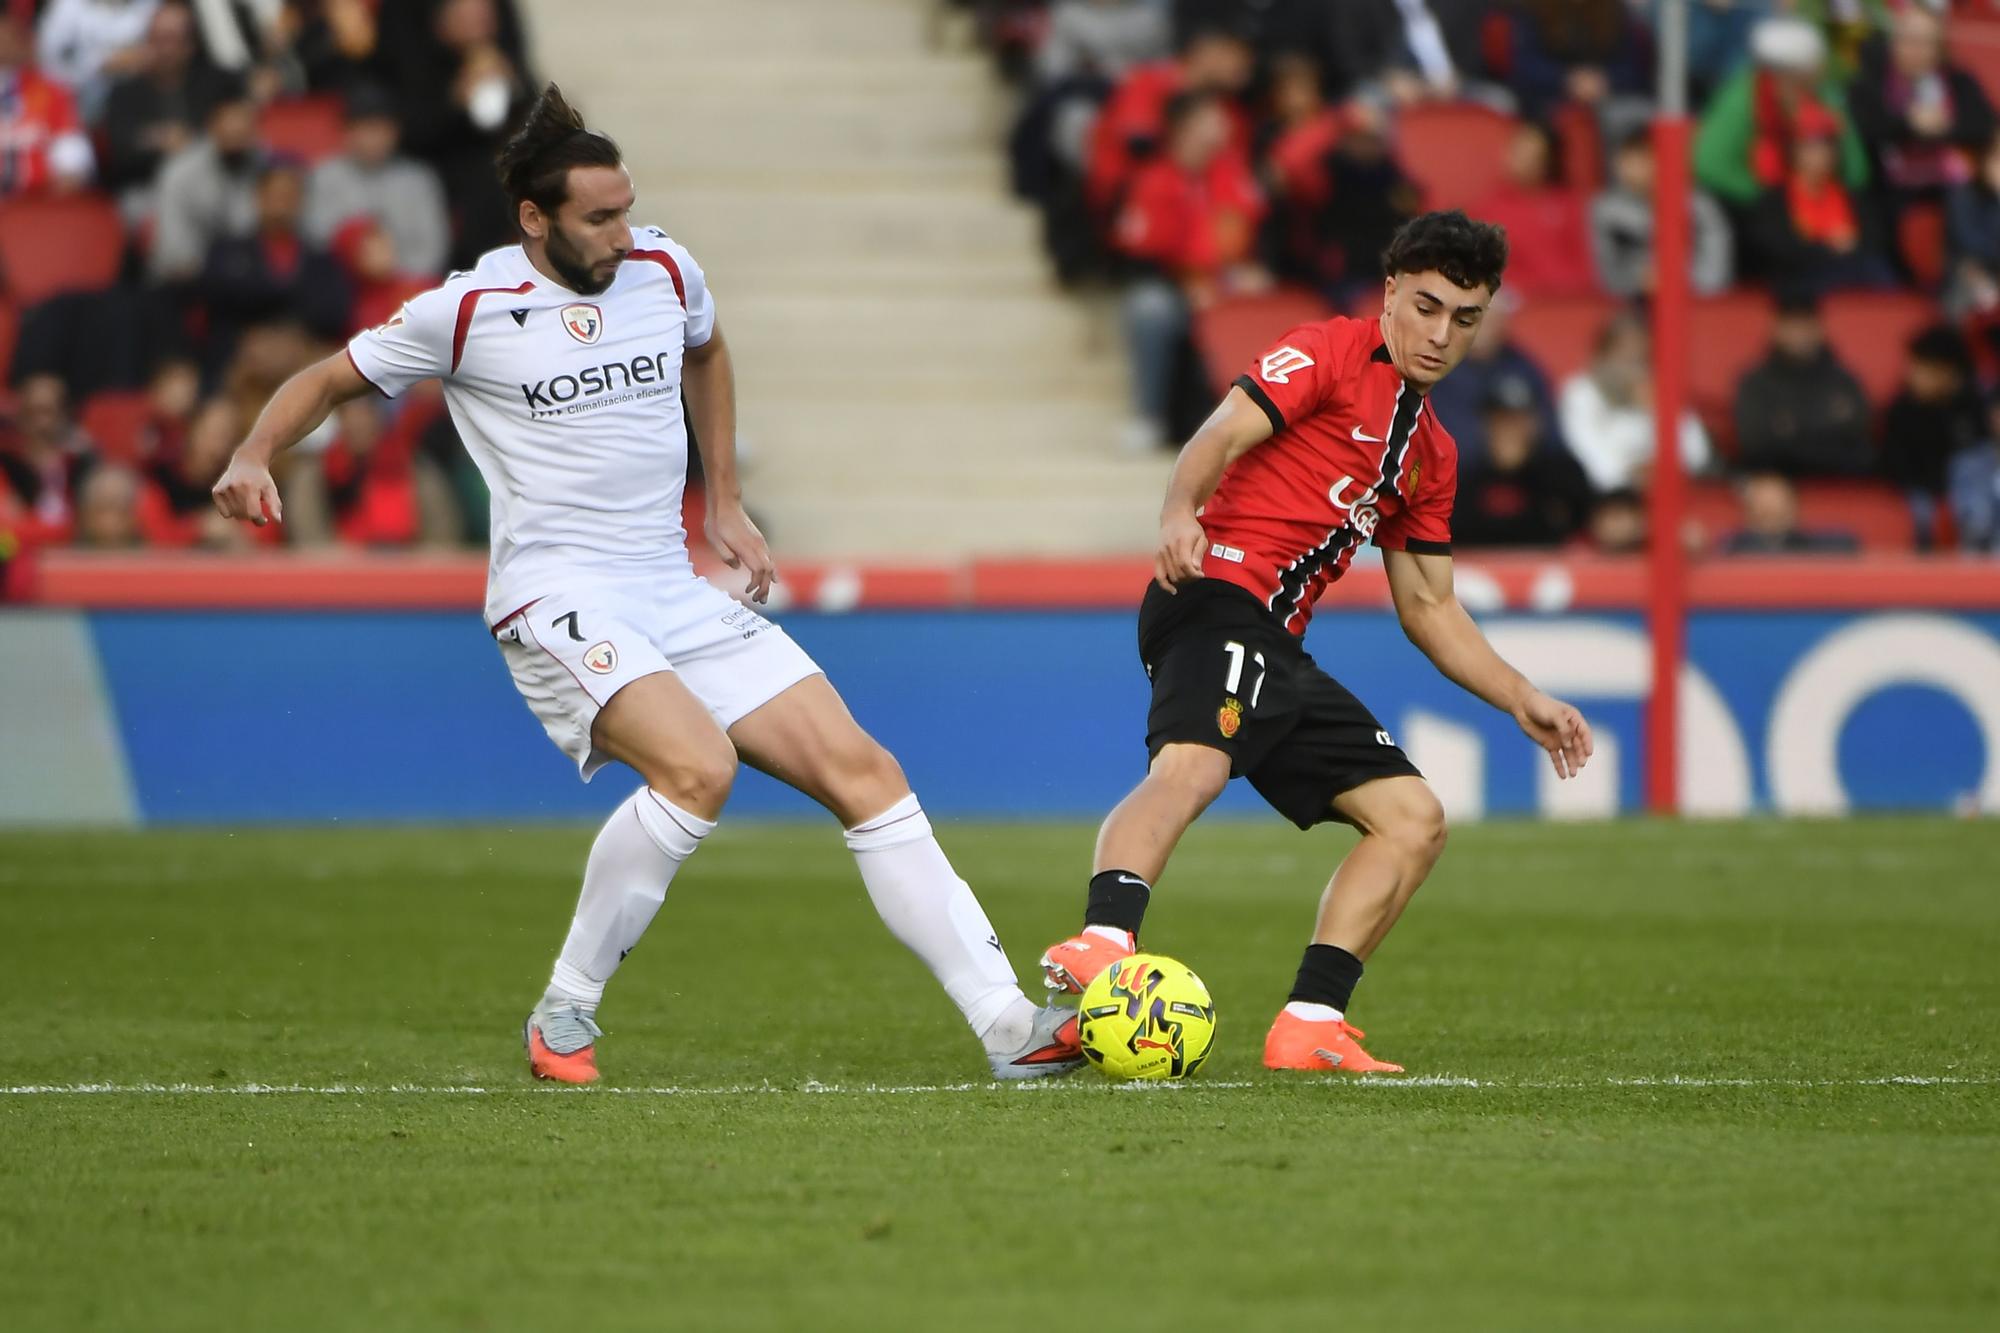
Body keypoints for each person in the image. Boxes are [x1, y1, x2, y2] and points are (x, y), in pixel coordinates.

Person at [211, 84, 1083, 1084]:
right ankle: (565, 1012)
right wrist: (252, 451)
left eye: (626, 207)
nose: (623, 233)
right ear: (534, 219)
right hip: (553, 597)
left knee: (866, 772)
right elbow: (323, 378)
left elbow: (706, 353)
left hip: (668, 584)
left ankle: (1005, 1024)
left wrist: (725, 499)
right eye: (598, 217)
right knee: (697, 768)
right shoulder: (467, 311)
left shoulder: (664, 265)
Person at [1037, 211, 1594, 1074]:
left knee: (1413, 820)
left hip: (1278, 642)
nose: (1442, 335)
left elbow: (1430, 607)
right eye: (1428, 307)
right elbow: (1221, 431)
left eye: (1466, 318)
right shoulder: (1330, 352)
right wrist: (1178, 511)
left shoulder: (1434, 455)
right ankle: (1103, 941)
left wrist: (1525, 696)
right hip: (1215, 594)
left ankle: (1310, 1023)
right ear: (1390, 294)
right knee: (1194, 765)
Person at [1112, 89, 1266, 450]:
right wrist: (1191, 284)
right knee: (1149, 309)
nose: (1224, 126)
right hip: (1175, 288)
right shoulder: (1154, 181)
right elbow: (1143, 256)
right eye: (1213, 118)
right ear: (1185, 128)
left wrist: (1241, 276)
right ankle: (1147, 418)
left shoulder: (1233, 175)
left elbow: (1249, 234)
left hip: (1227, 285)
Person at [304, 84, 451, 280]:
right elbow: (314, 239)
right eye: (367, 128)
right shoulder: (323, 176)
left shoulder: (419, 179)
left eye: (383, 129)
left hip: (404, 288)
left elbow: (435, 250)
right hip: (341, 288)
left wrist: (392, 266)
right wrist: (357, 255)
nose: (375, 138)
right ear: (347, 131)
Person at [1559, 310, 1711, 494]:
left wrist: (1659, 412)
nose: (1633, 360)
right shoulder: (1581, 390)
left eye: (1641, 353)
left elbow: (1697, 452)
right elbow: (1586, 450)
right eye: (1624, 350)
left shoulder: (1661, 389)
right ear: (1603, 354)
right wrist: (1628, 474)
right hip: (1606, 494)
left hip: (1668, 489)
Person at [1731, 292, 1874, 478]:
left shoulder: (1844, 381)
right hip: (1779, 482)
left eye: (1805, 324)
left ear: (1819, 327)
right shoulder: (1755, 383)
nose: (1798, 333)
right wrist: (1826, 427)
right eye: (1791, 324)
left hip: (1841, 480)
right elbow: (1755, 443)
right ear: (1775, 327)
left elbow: (1858, 433)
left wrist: (1790, 430)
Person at [1589, 128, 1734, 300]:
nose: (1632, 169)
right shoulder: (1605, 210)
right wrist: (1636, 282)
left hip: (1695, 304)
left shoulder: (1699, 206)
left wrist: (1677, 282)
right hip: (1630, 304)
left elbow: (1716, 270)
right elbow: (1606, 274)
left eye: (1643, 160)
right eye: (1626, 161)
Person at [1453, 371, 1589, 547]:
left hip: (1551, 571)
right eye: (1501, 419)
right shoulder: (1463, 476)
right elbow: (1457, 532)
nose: (1510, 429)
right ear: (1485, 424)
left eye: (1518, 420)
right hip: (1473, 572)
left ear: (1536, 423)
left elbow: (1579, 528)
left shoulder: (1563, 473)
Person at [0, 16, 94, 196]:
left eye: (12, 37)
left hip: (37, 200)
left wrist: (69, 172)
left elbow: (69, 145)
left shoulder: (53, 91)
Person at [1718, 472, 1859, 555]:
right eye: (1763, 514)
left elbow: (1848, 544)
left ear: (1793, 510)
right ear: (1748, 514)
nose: (1770, 512)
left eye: (1777, 513)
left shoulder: (1817, 545)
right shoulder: (1732, 547)